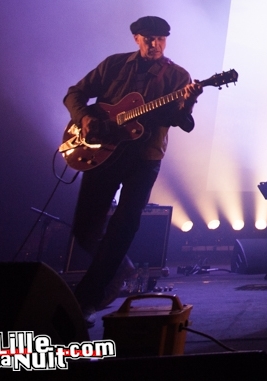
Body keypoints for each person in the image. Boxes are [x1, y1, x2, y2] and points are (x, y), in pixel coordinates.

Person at [64, 16, 203, 325]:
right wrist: (85, 119)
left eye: (161, 39)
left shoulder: (177, 76)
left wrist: (188, 103)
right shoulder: (114, 65)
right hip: (102, 152)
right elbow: (74, 94)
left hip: (145, 157)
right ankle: (121, 268)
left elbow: (182, 122)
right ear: (136, 39)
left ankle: (86, 300)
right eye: (149, 38)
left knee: (124, 225)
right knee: (85, 229)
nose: (155, 44)